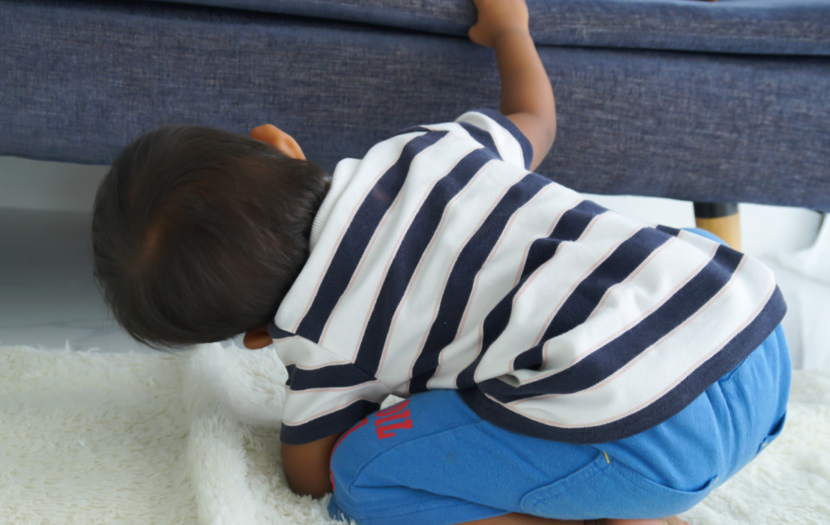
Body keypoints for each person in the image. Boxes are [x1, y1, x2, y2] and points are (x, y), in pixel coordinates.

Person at [90, 0, 792, 523]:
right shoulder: (429, 151)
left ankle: (604, 511)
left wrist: (335, 385)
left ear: (250, 334)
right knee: (636, 249)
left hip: (653, 449)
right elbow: (536, 118)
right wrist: (508, 29)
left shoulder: (321, 344)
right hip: (753, 332)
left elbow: (308, 475)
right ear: (279, 144)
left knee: (364, 477)